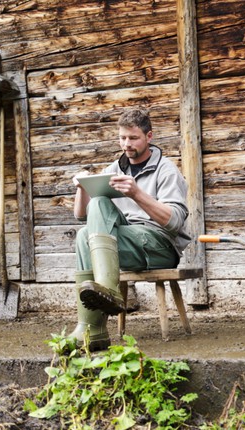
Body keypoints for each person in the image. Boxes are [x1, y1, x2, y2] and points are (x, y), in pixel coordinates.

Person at [67, 107, 190, 351]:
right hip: (125, 243)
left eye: (133, 138)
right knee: (83, 234)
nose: (127, 144)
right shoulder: (114, 169)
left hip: (159, 245)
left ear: (149, 137)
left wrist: (136, 193)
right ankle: (92, 330)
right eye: (122, 138)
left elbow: (174, 221)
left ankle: (108, 289)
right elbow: (82, 216)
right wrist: (82, 187)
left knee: (96, 215)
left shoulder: (166, 170)